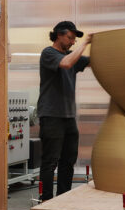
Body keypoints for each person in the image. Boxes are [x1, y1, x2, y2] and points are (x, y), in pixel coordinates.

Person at [38, 21, 92, 200]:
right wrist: (85, 43)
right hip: (51, 115)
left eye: (74, 40)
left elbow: (96, 61)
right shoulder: (49, 53)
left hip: (68, 117)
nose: (72, 42)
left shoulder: (72, 56)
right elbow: (67, 63)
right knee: (50, 161)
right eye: (70, 38)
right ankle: (46, 200)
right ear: (58, 35)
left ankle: (63, 198)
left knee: (68, 161)